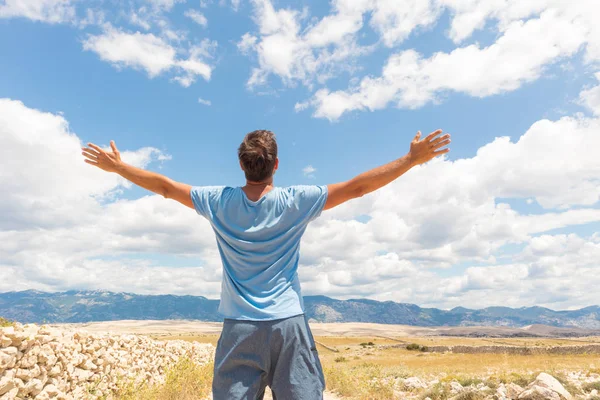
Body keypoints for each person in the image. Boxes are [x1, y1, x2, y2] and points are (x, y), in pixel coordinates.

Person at [81, 129, 450, 399]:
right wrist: (412, 159)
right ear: (275, 165)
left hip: (240, 328)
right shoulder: (296, 201)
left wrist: (120, 168)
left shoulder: (217, 201)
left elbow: (164, 186)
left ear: (242, 166)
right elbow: (358, 188)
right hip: (289, 325)